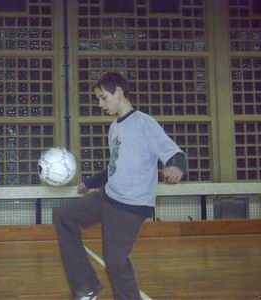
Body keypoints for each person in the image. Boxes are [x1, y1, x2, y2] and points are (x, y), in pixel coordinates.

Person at [53, 72, 186, 300]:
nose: (100, 104)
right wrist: (90, 183)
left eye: (103, 98)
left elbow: (173, 151)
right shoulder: (114, 128)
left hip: (130, 206)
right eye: (98, 99)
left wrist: (176, 166)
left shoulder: (144, 123)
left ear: (119, 92)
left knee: (115, 262)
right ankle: (86, 287)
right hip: (107, 197)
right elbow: (116, 167)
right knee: (64, 215)